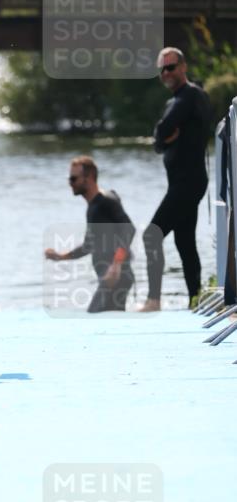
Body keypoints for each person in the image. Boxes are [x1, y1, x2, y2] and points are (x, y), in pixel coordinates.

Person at [139, 47, 212, 311]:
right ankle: (195, 300)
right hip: (181, 183)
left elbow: (162, 130)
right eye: (162, 69)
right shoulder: (175, 101)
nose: (166, 73)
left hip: (188, 182)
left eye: (171, 67)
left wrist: (163, 136)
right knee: (185, 242)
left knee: (152, 235)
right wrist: (163, 138)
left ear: (183, 67)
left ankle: (153, 300)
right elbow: (160, 140)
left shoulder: (191, 95)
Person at [45, 156, 135, 312]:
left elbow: (129, 228)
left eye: (74, 179)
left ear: (90, 177)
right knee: (108, 324)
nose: (70, 183)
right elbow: (89, 246)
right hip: (112, 279)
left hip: (116, 278)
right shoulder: (94, 208)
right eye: (69, 179)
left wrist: (116, 265)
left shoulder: (106, 201)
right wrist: (61, 257)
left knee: (94, 316)